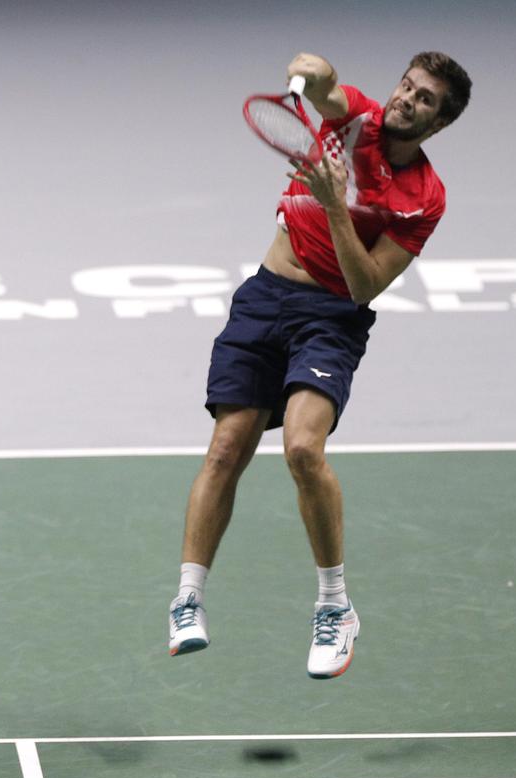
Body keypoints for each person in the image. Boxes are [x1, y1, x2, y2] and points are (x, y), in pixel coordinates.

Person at [168, 53, 472, 678]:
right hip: (265, 297)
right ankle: (188, 598)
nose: (405, 101)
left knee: (304, 450)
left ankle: (335, 606)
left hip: (330, 317)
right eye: (407, 86)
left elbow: (364, 288)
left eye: (424, 100)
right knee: (226, 448)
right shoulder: (355, 117)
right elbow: (328, 84)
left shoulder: (424, 199)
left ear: (439, 124)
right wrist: (310, 67)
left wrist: (335, 204)